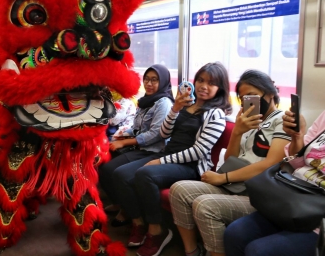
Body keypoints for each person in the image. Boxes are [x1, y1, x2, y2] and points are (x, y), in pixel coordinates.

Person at [112, 62, 232, 256]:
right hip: (167, 156)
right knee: (120, 175)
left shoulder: (215, 114)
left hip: (190, 166)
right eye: (200, 80)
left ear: (220, 88)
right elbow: (164, 132)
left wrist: (161, 162)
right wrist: (175, 108)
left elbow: (198, 151)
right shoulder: (186, 105)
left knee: (145, 174)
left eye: (211, 83)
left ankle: (156, 231)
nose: (203, 86)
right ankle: (138, 222)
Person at [169, 69, 291, 256]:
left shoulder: (282, 121)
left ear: (270, 93)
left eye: (252, 95)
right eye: (242, 98)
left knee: (205, 206)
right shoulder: (249, 121)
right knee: (179, 190)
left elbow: (271, 163)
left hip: (258, 192)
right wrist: (237, 131)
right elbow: (230, 159)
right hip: (236, 184)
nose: (247, 101)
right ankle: (192, 251)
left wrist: (222, 178)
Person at [223, 108, 324, 256]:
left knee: (259, 251)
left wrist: (225, 177)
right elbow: (297, 162)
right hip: (298, 198)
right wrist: (297, 135)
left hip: (319, 218)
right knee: (234, 233)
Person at [99, 64, 174, 225]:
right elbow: (136, 128)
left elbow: (157, 134)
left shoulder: (164, 103)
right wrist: (122, 136)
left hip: (155, 151)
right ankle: (122, 204)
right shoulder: (145, 101)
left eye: (154, 80)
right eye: (146, 79)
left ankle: (135, 218)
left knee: (118, 173)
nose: (149, 83)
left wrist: (126, 142)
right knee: (104, 166)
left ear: (163, 82)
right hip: (141, 148)